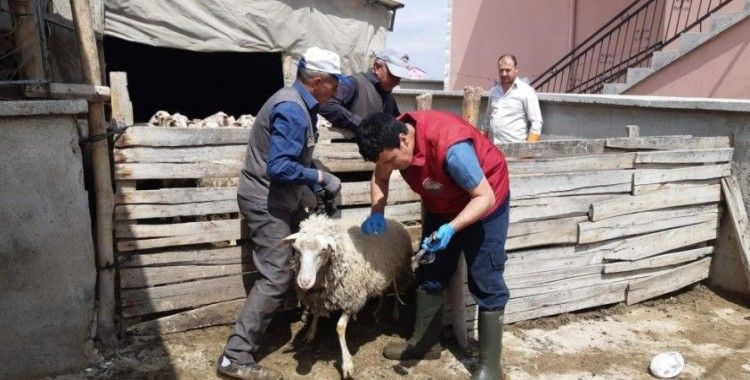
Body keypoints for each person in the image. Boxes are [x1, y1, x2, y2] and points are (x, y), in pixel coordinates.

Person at [217, 47, 347, 380]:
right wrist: (320, 176)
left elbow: (293, 160)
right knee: (276, 274)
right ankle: (235, 356)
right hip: (266, 202)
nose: (337, 88)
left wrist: (315, 186)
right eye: (334, 82)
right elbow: (279, 166)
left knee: (303, 257)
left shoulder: (301, 105)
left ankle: (303, 319)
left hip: (280, 199)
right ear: (316, 81)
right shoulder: (291, 108)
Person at [357, 111, 511, 380]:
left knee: (485, 278)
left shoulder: (451, 148)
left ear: (404, 140)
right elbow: (380, 177)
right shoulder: (388, 141)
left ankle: (490, 366)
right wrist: (377, 212)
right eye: (385, 162)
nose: (389, 167)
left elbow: (483, 196)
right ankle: (426, 343)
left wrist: (452, 228)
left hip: (486, 202)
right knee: (429, 269)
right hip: (445, 202)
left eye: (391, 161)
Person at [318, 48, 424, 134]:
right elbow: (326, 105)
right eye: (394, 76)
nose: (397, 82)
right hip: (349, 155)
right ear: (377, 67)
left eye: (400, 78)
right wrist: (363, 124)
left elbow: (397, 121)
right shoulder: (355, 83)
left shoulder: (388, 97)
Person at [480, 54, 543, 144]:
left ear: (516, 69)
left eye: (508, 70)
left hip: (516, 150)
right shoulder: (494, 91)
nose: (504, 74)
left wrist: (529, 151)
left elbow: (536, 122)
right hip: (494, 148)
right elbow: (486, 120)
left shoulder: (526, 91)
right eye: (501, 70)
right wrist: (482, 144)